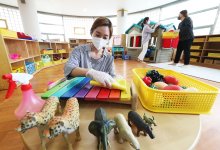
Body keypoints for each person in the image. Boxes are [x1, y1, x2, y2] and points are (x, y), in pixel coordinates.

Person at [64, 17, 115, 89]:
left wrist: (116, 79)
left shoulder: (109, 58)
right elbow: (68, 68)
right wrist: (90, 72)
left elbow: (112, 78)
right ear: (91, 32)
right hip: (78, 91)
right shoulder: (79, 50)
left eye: (105, 37)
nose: (100, 39)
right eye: (97, 35)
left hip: (99, 93)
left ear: (108, 39)